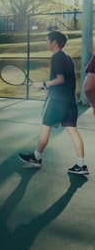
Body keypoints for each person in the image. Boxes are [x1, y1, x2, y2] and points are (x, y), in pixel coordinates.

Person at [19, 30, 88, 175]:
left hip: (56, 102)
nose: (46, 43)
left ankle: (36, 158)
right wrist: (46, 86)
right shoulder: (67, 57)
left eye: (47, 40)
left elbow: (60, 79)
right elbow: (64, 81)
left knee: (45, 128)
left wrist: (43, 83)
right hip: (69, 101)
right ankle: (81, 165)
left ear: (54, 42)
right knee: (73, 131)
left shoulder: (57, 57)